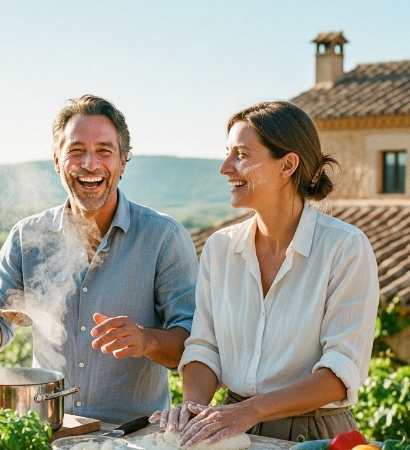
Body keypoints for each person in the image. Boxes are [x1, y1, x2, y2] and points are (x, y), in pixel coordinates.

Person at [0, 94, 198, 424]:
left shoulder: (163, 237)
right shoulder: (27, 237)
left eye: (104, 151)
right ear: (57, 161)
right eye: (76, 151)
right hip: (49, 427)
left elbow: (193, 344)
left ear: (123, 162)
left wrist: (146, 339)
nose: (90, 164)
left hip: (132, 437)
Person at [151, 101, 379, 445]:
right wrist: (193, 409)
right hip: (229, 426)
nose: (226, 167)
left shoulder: (345, 248)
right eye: (228, 153)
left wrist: (251, 411)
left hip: (312, 433)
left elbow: (340, 371)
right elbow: (204, 346)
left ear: (287, 165)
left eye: (241, 154)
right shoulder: (219, 248)